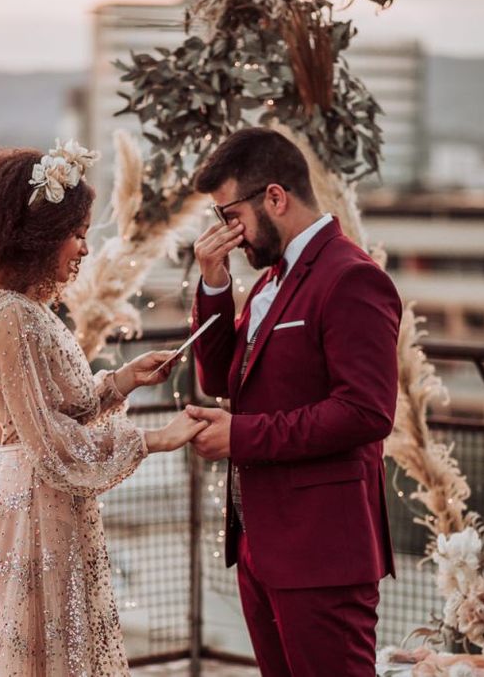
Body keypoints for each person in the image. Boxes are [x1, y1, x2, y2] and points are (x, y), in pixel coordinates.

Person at [0, 141, 207, 676]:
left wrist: (122, 381)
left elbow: (56, 411)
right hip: (32, 505)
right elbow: (50, 443)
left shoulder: (25, 309)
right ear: (36, 237)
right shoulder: (10, 314)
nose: (83, 249)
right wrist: (150, 439)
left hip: (44, 500)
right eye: (77, 234)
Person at [184, 127, 401, 676]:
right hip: (261, 545)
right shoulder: (266, 281)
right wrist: (213, 283)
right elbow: (219, 379)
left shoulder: (350, 278)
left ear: (275, 198)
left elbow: (366, 411)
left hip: (322, 551)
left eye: (229, 216)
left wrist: (240, 436)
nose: (226, 233)